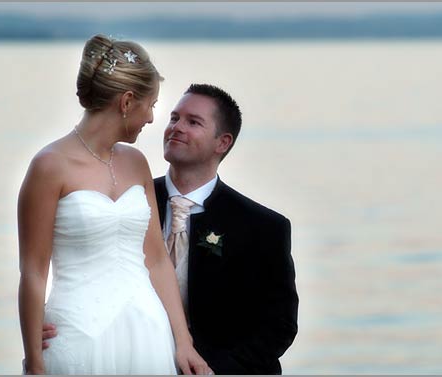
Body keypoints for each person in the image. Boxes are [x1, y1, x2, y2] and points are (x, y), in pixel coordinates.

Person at [43, 83, 299, 374]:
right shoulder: (127, 206)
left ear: (222, 142)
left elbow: (279, 326)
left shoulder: (263, 228)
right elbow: (81, 269)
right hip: (128, 358)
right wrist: (57, 320)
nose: (177, 127)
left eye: (193, 122)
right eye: (174, 118)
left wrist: (214, 371)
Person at [18, 34, 211, 375]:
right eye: (150, 105)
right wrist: (34, 359)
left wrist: (183, 342)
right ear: (126, 102)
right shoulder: (49, 166)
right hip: (78, 335)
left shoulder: (136, 163)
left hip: (148, 334)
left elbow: (156, 260)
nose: (152, 118)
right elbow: (34, 271)